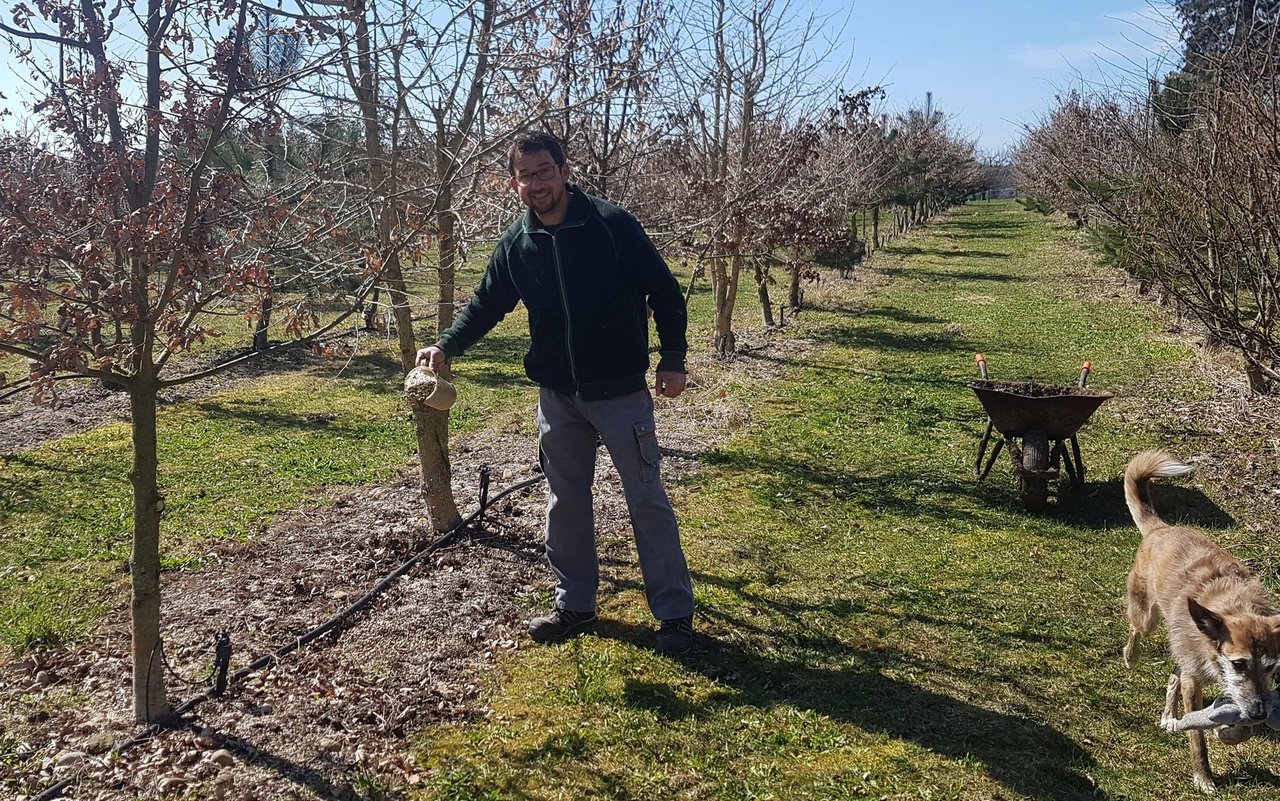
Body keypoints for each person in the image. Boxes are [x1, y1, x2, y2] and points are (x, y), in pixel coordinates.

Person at [416, 132, 697, 654]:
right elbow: (486, 304)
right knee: (564, 501)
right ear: (513, 182)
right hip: (557, 396)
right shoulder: (517, 244)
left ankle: (675, 616)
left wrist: (673, 358)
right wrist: (446, 347)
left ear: (565, 171)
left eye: (545, 171)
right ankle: (575, 605)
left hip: (620, 392)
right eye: (526, 175)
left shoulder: (612, 226)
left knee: (646, 500)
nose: (537, 183)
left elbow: (664, 291)